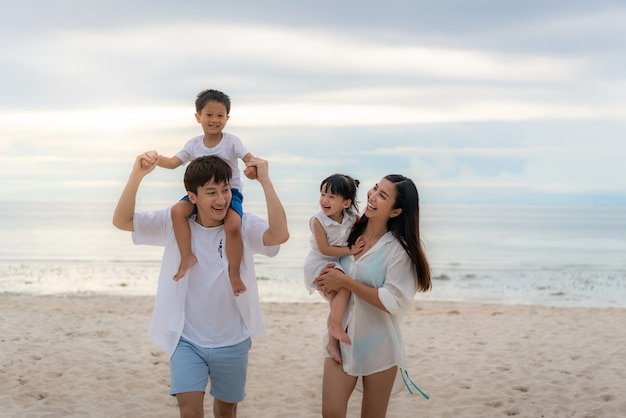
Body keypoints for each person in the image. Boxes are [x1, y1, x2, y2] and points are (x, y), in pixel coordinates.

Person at [112, 154, 289, 418]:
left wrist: (266, 181)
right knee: (190, 413)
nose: (221, 200)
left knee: (226, 412)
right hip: (186, 340)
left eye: (225, 190)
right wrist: (136, 176)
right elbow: (122, 221)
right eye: (211, 192)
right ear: (192, 196)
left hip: (233, 340)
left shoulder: (242, 225)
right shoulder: (174, 223)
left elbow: (279, 235)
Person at [313, 174, 432, 418]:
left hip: (379, 345)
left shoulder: (398, 250)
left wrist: (346, 282)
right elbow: (330, 276)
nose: (372, 195)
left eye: (382, 195)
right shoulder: (348, 231)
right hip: (340, 339)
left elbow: (394, 301)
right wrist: (327, 287)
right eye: (375, 188)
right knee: (331, 413)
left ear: (396, 211)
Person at [144, 88, 256, 296]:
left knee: (233, 225)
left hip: (229, 192)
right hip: (201, 194)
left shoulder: (231, 141)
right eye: (209, 115)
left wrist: (253, 166)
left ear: (227, 118)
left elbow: (247, 158)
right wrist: (156, 159)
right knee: (178, 211)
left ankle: (234, 273)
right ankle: (186, 256)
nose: (215, 120)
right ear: (198, 117)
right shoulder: (193, 145)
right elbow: (173, 163)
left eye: (220, 116)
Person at [303, 174, 365, 364]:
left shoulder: (353, 219)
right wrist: (350, 250)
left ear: (346, 203)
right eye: (322, 194)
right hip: (319, 263)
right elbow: (324, 249)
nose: (324, 200)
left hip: (336, 262)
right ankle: (336, 328)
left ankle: (331, 342)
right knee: (345, 287)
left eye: (331, 196)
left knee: (337, 298)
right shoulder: (318, 221)